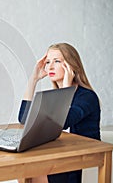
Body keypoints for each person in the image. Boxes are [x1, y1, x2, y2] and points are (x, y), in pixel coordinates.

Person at [18, 43, 101, 183]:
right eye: (48, 62)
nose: (50, 67)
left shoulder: (87, 97)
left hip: (83, 159)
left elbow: (62, 122)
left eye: (57, 61)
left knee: (31, 175)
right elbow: (24, 119)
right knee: (24, 170)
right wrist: (33, 79)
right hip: (64, 154)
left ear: (71, 66)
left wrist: (67, 87)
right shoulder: (54, 97)